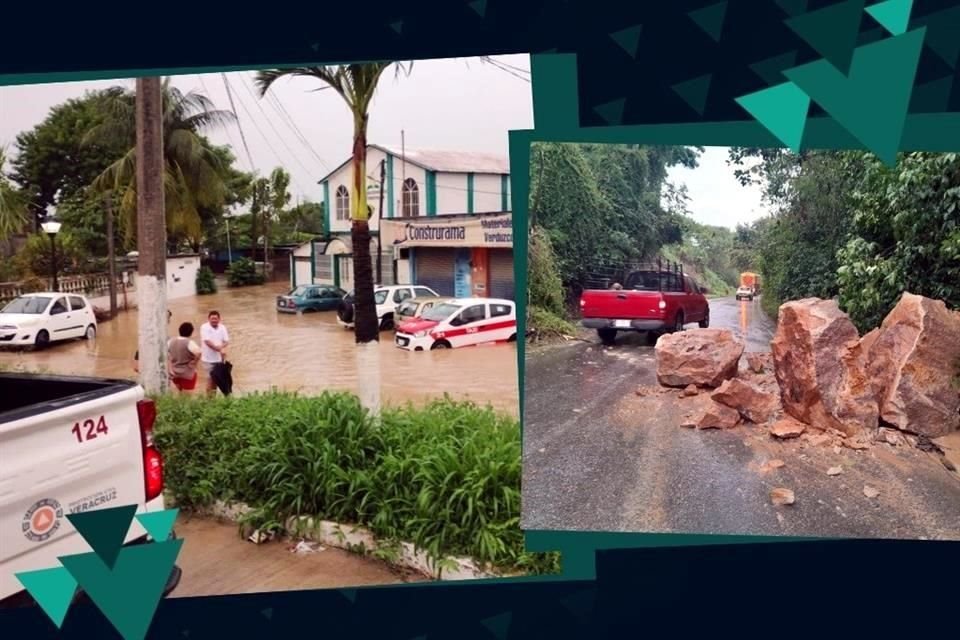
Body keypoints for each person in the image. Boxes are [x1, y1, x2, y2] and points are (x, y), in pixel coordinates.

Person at [200, 310, 230, 396]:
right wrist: (218, 349)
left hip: (220, 359)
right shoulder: (204, 327)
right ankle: (209, 399)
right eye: (212, 318)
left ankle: (213, 398)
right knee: (210, 378)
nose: (214, 320)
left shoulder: (222, 327)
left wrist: (221, 347)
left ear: (219, 319)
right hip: (208, 359)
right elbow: (207, 342)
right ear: (208, 319)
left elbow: (226, 341)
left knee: (216, 379)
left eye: (216, 318)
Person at [167, 322, 201, 392]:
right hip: (187, 373)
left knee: (178, 393)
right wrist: (194, 362)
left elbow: (167, 354)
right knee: (187, 397)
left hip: (174, 372)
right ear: (191, 332)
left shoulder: (171, 341)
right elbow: (199, 352)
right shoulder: (189, 342)